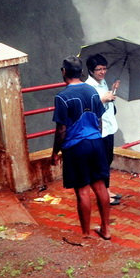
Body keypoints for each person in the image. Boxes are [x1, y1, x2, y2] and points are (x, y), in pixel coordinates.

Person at [50, 56, 112, 240]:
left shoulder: (62, 97)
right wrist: (97, 139)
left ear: (64, 72)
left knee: (83, 190)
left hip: (76, 147)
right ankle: (106, 229)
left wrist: (55, 152)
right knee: (100, 186)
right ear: (82, 72)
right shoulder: (92, 91)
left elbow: (61, 129)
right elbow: (99, 119)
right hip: (96, 142)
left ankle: (85, 233)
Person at [85, 53, 122, 205]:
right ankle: (104, 193)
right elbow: (87, 107)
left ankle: (106, 189)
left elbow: (107, 104)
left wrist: (112, 91)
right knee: (101, 162)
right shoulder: (88, 87)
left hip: (109, 127)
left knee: (108, 159)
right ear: (90, 70)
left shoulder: (103, 82)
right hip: (99, 130)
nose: (102, 72)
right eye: (98, 69)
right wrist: (103, 99)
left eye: (104, 68)